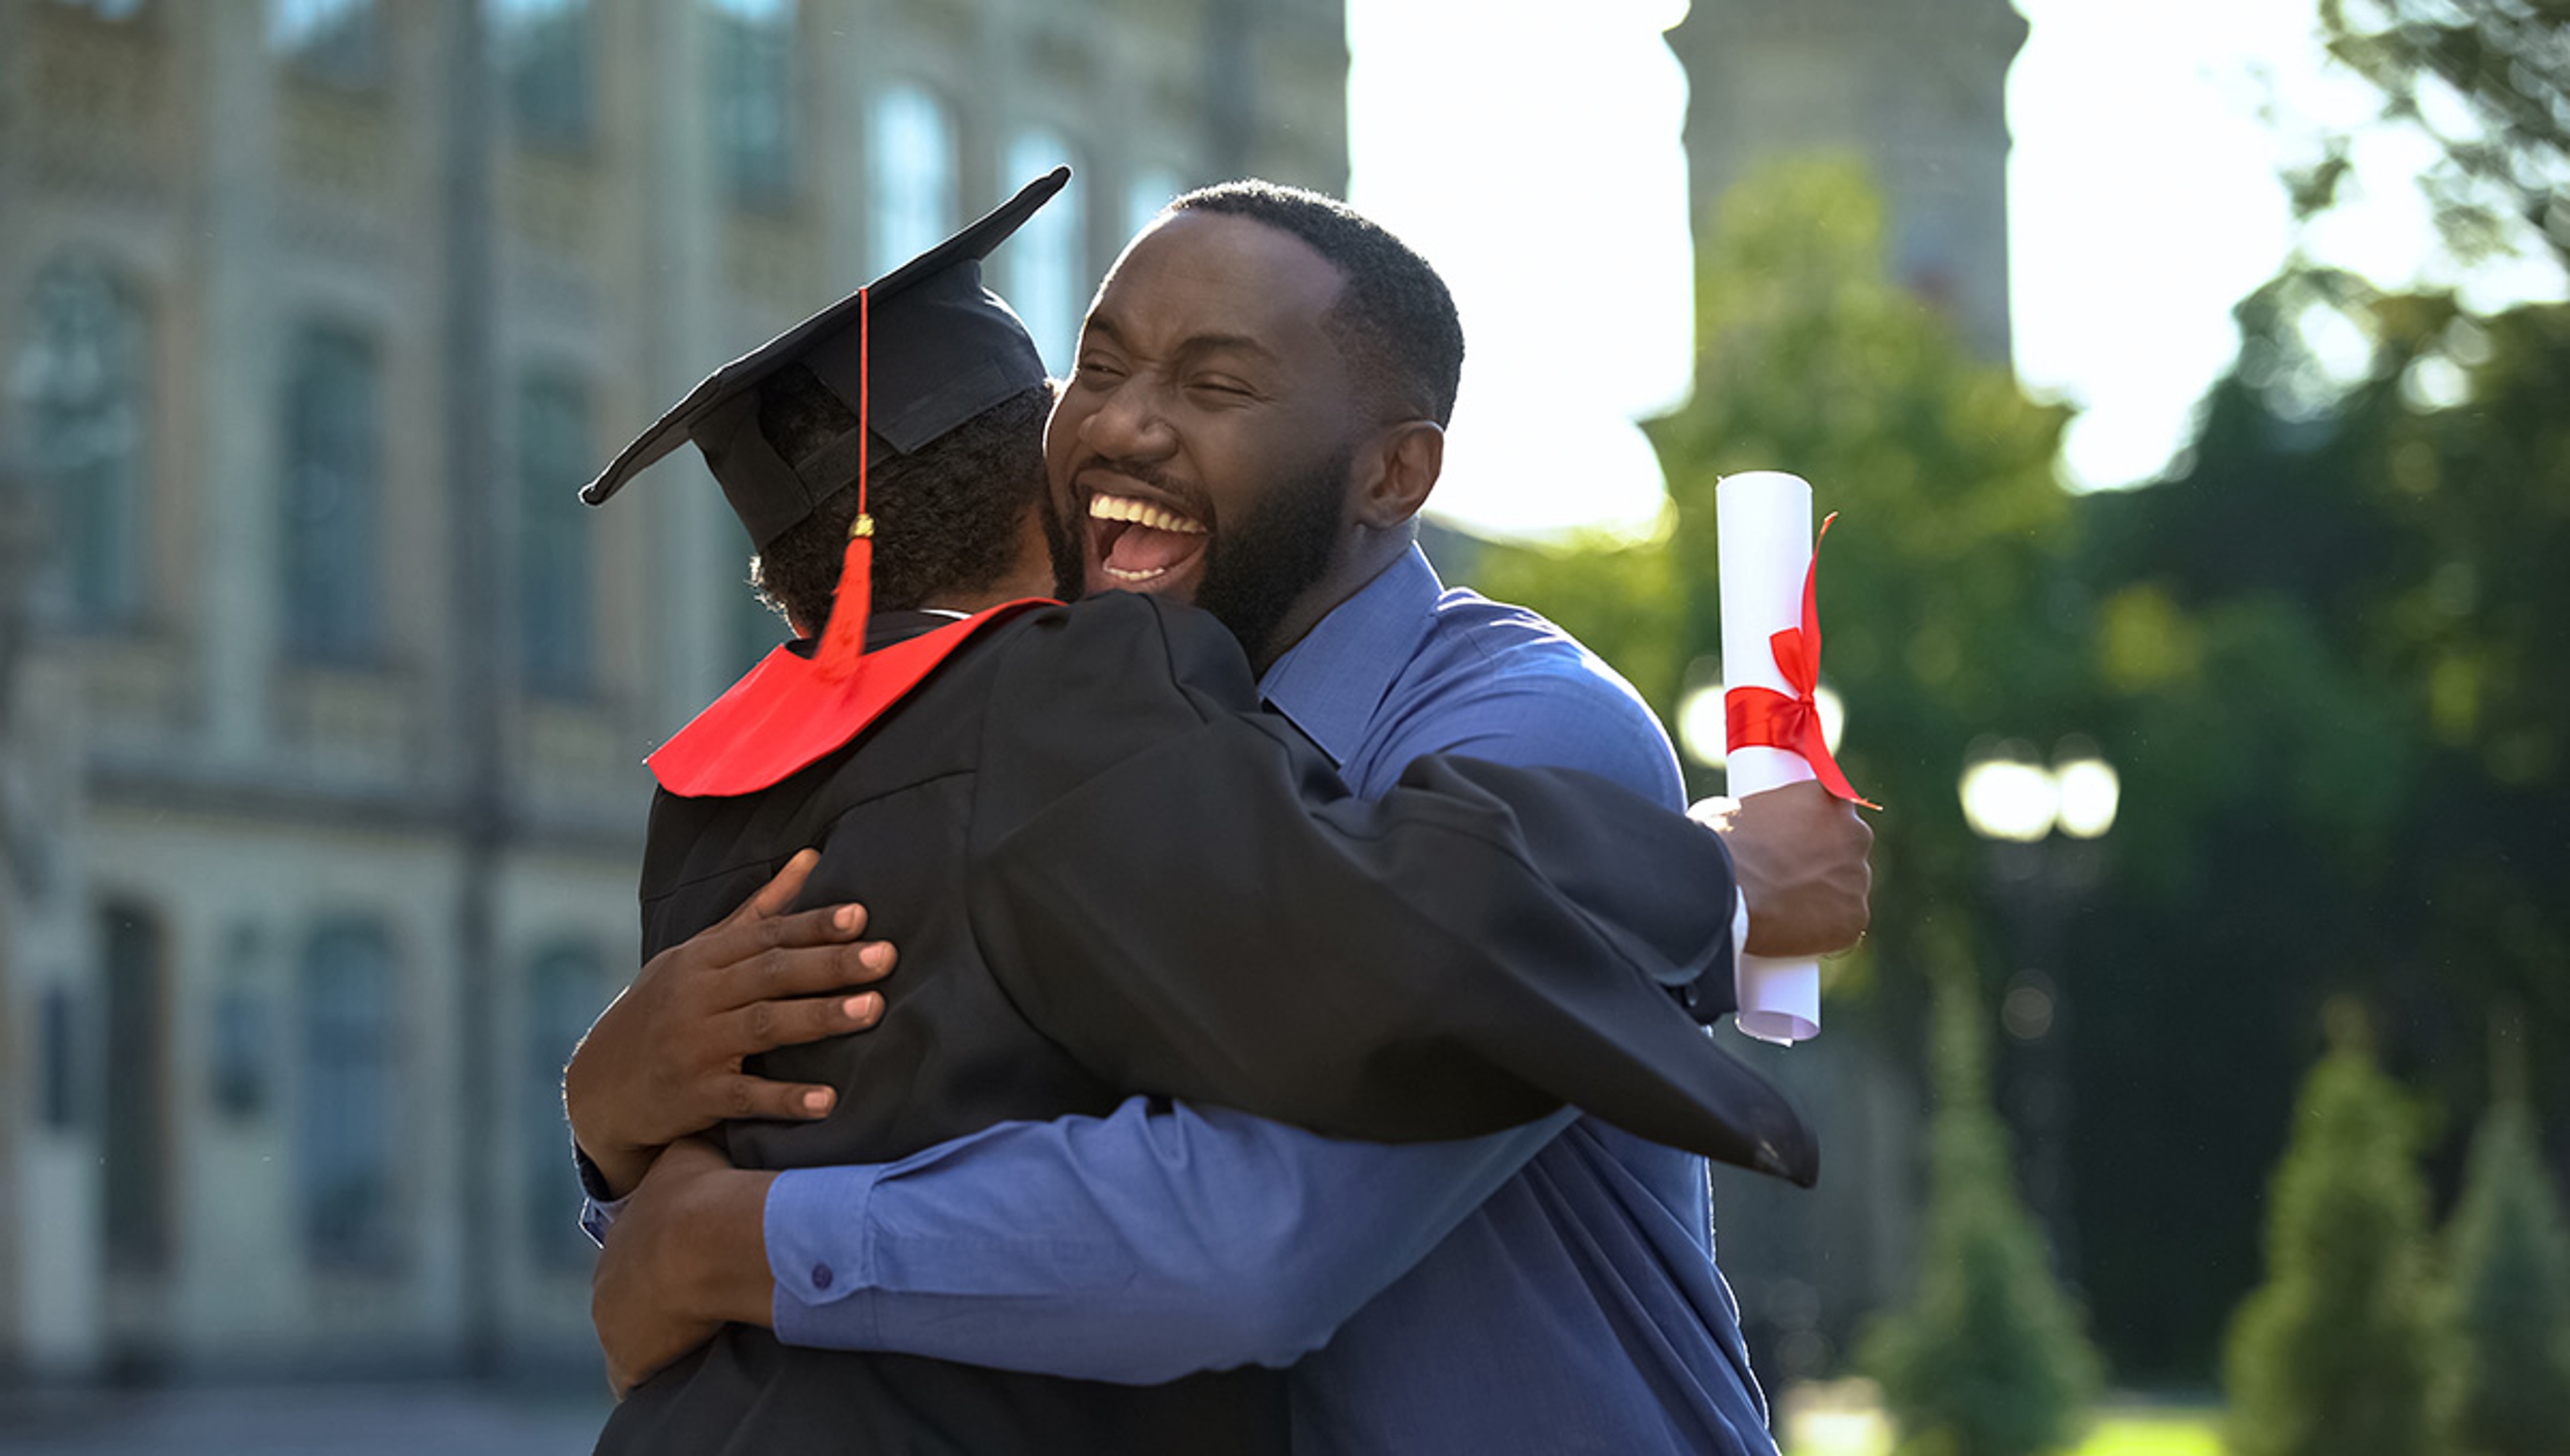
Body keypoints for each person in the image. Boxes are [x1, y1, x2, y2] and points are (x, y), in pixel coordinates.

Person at [569, 171, 1867, 1452]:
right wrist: (616, 1126)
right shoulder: (1039, 750)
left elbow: (1258, 1233)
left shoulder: (1524, 730)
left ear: (1393, 473)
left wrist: (731, 1240)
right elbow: (895, 1099)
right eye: (1100, 366)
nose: (1121, 428)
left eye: (1216, 383)